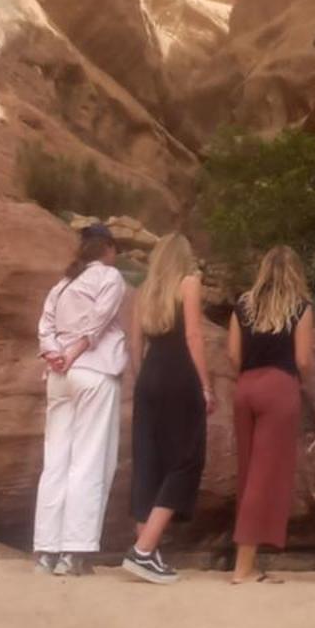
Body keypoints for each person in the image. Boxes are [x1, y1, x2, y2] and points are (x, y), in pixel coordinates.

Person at [33, 224, 128, 574]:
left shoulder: (62, 284)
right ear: (109, 249)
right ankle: (74, 551)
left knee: (56, 460)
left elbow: (45, 327)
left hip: (59, 378)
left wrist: (55, 354)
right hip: (94, 371)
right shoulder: (110, 277)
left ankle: (46, 549)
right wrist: (73, 352)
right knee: (88, 460)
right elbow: (98, 320)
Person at [125, 233, 214, 584]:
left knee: (148, 461)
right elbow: (193, 336)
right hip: (179, 375)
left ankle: (147, 550)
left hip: (149, 374)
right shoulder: (189, 283)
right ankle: (144, 550)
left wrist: (139, 377)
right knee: (186, 460)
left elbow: (134, 342)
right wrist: (205, 385)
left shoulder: (144, 289)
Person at [228, 246, 314, 583]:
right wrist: (298, 383)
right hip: (279, 388)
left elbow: (234, 356)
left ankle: (247, 561)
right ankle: (243, 568)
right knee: (264, 477)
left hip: (245, 386)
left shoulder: (242, 306)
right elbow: (304, 360)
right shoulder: (301, 308)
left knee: (248, 473)